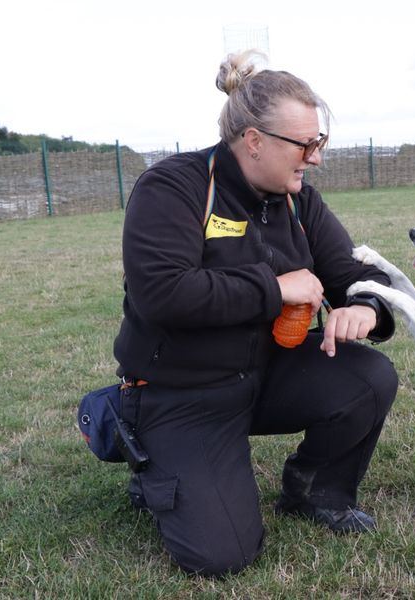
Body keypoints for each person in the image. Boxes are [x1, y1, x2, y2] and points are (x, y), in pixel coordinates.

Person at [112, 50, 398, 576]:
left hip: (266, 372)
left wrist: (366, 306)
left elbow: (356, 274)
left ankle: (315, 491)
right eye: (306, 144)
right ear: (254, 140)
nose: (315, 157)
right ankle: (148, 455)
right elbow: (163, 293)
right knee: (221, 557)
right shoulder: (174, 188)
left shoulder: (298, 201)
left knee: (370, 376)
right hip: (184, 391)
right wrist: (275, 288)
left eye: (320, 142)